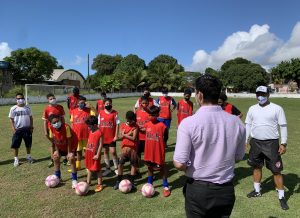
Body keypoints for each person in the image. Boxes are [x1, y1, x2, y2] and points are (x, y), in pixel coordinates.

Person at [173, 75, 246, 218]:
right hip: (226, 190)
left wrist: (196, 167)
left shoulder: (188, 123)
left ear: (199, 94)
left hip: (198, 189)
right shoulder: (237, 122)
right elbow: (238, 157)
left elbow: (179, 163)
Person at [245, 86, 289, 210]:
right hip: (256, 143)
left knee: (276, 171)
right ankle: (257, 191)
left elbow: (283, 126)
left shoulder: (277, 108)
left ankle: (281, 197)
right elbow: (248, 124)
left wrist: (283, 143)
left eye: (263, 94)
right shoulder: (252, 109)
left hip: (271, 144)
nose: (260, 96)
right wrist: (246, 139)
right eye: (258, 94)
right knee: (256, 167)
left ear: (268, 94)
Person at [144, 105, 171, 197]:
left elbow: (166, 137)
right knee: (150, 168)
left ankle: (165, 186)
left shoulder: (162, 126)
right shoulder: (147, 124)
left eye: (152, 115)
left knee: (162, 169)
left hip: (158, 152)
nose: (150, 117)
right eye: (149, 115)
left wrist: (161, 145)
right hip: (148, 152)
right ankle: (149, 183)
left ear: (157, 115)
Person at [47, 114, 78, 188]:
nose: (56, 123)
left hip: (70, 145)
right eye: (54, 122)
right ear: (51, 123)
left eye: (57, 121)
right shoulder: (51, 128)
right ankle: (58, 177)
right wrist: (57, 151)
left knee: (71, 158)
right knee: (55, 157)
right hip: (60, 146)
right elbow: (54, 140)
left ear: (60, 120)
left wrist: (69, 152)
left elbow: (69, 141)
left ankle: (74, 180)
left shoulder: (66, 127)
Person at [113, 111, 139, 190]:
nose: (129, 122)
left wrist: (124, 135)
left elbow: (134, 138)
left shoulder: (135, 126)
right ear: (126, 119)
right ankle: (118, 181)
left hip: (133, 149)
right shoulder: (123, 125)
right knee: (120, 164)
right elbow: (121, 137)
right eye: (128, 120)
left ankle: (132, 181)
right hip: (124, 149)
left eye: (131, 121)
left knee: (133, 165)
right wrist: (124, 136)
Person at [70, 96, 96, 171]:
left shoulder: (89, 110)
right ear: (78, 103)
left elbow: (96, 115)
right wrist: (72, 133)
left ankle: (88, 165)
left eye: (83, 103)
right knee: (78, 151)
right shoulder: (73, 111)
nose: (82, 104)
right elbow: (72, 123)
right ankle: (78, 166)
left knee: (87, 151)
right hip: (77, 135)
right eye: (81, 103)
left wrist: (92, 107)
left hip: (87, 135)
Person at [8, 93, 34, 167]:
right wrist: (13, 128)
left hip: (27, 129)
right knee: (16, 145)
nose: (20, 100)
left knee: (28, 144)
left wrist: (31, 127)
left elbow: (31, 118)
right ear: (16, 99)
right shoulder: (13, 108)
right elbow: (11, 119)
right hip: (17, 130)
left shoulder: (28, 108)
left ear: (24, 99)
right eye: (18, 98)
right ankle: (16, 159)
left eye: (22, 98)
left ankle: (28, 156)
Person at [42, 93, 67, 168]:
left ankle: (64, 158)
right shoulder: (46, 109)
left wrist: (64, 127)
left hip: (61, 128)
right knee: (53, 144)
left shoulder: (60, 107)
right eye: (50, 99)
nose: (53, 100)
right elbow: (45, 121)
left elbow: (62, 118)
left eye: (53, 98)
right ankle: (52, 159)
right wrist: (45, 131)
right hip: (51, 129)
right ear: (48, 100)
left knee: (62, 142)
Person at [98, 98, 120, 176]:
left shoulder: (115, 113)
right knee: (105, 151)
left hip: (111, 137)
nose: (108, 105)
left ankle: (116, 168)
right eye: (106, 104)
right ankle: (108, 168)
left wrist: (116, 135)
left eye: (109, 103)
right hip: (103, 137)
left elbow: (117, 125)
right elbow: (98, 125)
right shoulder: (100, 113)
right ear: (104, 105)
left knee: (113, 152)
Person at [85, 115, 104, 192]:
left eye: (89, 126)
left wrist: (98, 154)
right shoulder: (90, 131)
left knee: (97, 169)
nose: (88, 127)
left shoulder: (99, 133)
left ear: (95, 125)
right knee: (89, 168)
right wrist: (86, 149)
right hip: (89, 153)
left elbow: (100, 145)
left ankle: (99, 184)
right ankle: (88, 182)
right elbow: (89, 141)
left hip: (95, 155)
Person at [135, 96, 151, 173]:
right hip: (138, 137)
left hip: (147, 138)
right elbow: (134, 123)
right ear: (140, 103)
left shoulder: (150, 113)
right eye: (143, 103)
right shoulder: (137, 112)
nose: (144, 104)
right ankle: (137, 170)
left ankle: (150, 171)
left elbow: (152, 125)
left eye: (146, 103)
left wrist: (146, 129)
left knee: (147, 156)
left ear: (148, 103)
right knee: (137, 154)